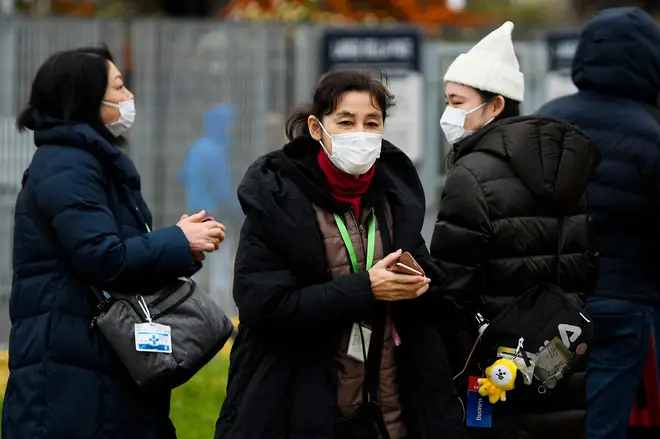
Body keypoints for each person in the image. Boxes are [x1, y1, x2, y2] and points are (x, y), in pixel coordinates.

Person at [214, 70, 464, 439]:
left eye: (372, 122)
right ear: (317, 128)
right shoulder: (280, 200)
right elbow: (262, 307)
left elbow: (424, 286)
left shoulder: (393, 198)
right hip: (301, 406)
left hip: (387, 409)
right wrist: (367, 288)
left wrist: (421, 286)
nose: (360, 133)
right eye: (346, 122)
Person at [1, 46, 226, 439]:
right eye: (119, 87)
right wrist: (177, 240)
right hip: (72, 382)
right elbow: (103, 258)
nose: (129, 97)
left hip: (97, 368)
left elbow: (111, 249)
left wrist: (179, 242)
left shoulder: (86, 161)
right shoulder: (68, 165)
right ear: (87, 98)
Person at [430, 22, 600, 439]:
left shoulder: (471, 176)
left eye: (457, 101)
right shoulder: (570, 171)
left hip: (492, 372)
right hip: (560, 359)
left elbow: (452, 291)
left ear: (495, 105)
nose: (448, 113)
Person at [536, 7, 660, 439]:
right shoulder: (651, 132)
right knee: (605, 423)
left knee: (546, 410)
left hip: (553, 309)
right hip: (624, 307)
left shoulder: (544, 121)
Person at [178, 103, 241, 314]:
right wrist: (236, 210)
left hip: (195, 213)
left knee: (198, 263)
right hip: (215, 213)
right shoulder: (215, 151)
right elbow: (221, 187)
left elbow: (182, 178)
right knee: (220, 267)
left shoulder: (196, 147)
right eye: (229, 123)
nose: (232, 128)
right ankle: (219, 312)